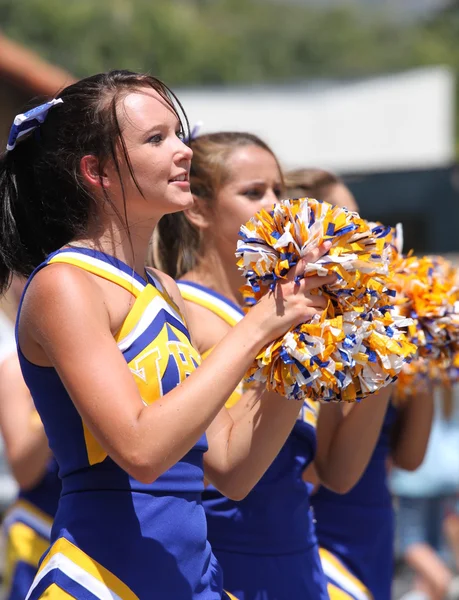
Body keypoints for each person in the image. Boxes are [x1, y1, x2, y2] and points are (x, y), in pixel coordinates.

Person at [0, 69, 337, 599]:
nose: (184, 152)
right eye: (157, 139)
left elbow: (230, 464)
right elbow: (140, 449)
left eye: (178, 133)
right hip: (100, 581)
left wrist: (302, 344)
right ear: (97, 172)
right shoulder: (64, 285)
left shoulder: (162, 288)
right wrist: (258, 325)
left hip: (190, 580)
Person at [152, 133, 393, 600]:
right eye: (253, 192)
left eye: (279, 191)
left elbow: (337, 473)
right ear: (197, 210)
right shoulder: (185, 313)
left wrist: (381, 346)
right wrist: (294, 335)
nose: (274, 206)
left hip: (299, 561)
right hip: (227, 566)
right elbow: (227, 472)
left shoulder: (285, 307)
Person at [285, 167, 434, 600]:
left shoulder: (371, 322)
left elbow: (409, 458)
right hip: (321, 533)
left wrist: (413, 342)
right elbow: (315, 469)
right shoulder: (313, 331)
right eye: (349, 221)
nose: (367, 236)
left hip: (373, 531)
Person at [0, 277, 61, 600]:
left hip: (98, 528)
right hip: (38, 531)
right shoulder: (13, 371)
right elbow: (25, 469)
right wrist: (59, 397)